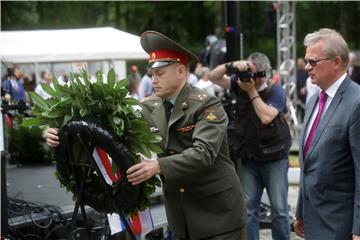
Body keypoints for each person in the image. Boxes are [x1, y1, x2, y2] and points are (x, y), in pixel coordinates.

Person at [44, 30, 247, 240]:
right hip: (181, 217)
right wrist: (59, 133)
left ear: (180, 71)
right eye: (152, 74)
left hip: (218, 215)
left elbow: (204, 153)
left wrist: (158, 166)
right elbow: (108, 129)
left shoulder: (206, 104)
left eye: (160, 73)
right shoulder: (150, 106)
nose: (153, 80)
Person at [208, 52, 292, 240]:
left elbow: (266, 117)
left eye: (257, 74)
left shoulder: (275, 90)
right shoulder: (239, 82)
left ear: (265, 73)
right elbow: (212, 77)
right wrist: (232, 66)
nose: (253, 78)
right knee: (248, 210)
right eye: (250, 73)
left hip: (274, 158)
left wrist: (252, 91)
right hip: (249, 156)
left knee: (279, 210)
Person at [293, 28, 360, 240]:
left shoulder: (356, 102)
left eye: (313, 62)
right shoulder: (314, 100)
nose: (307, 67)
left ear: (337, 63)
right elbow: (309, 164)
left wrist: (359, 229)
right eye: (306, 61)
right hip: (313, 222)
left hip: (341, 226)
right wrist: (300, 212)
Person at [296, 58, 309, 122]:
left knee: (305, 110)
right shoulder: (296, 72)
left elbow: (309, 81)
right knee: (298, 110)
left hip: (305, 93)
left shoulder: (306, 72)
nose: (299, 63)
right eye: (298, 62)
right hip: (298, 94)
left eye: (300, 62)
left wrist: (305, 88)